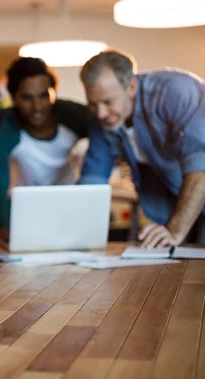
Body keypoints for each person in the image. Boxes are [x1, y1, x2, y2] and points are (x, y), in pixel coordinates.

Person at [78, 49, 205, 249]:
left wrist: (174, 230)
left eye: (108, 102)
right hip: (175, 204)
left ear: (131, 87)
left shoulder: (175, 92)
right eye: (93, 104)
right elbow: (93, 179)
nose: (100, 113)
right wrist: (75, 235)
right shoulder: (101, 121)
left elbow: (201, 165)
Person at [0, 57, 92, 248]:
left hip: (70, 204)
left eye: (44, 96)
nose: (37, 107)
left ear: (54, 92)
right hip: (27, 210)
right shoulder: (1, 127)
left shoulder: (75, 115)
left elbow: (107, 140)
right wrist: (1, 225)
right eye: (27, 98)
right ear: (13, 96)